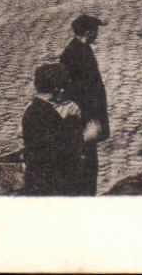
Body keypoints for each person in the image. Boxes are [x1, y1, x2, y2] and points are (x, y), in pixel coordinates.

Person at [59, 14, 108, 195]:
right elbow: (83, 91)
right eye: (95, 32)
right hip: (84, 118)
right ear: (89, 32)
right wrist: (91, 119)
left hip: (85, 116)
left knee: (88, 160)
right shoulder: (78, 54)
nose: (97, 35)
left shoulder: (78, 49)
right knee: (87, 162)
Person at [23, 63, 84, 195]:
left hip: (34, 179)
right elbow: (63, 148)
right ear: (59, 90)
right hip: (55, 182)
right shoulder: (58, 116)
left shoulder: (30, 110)